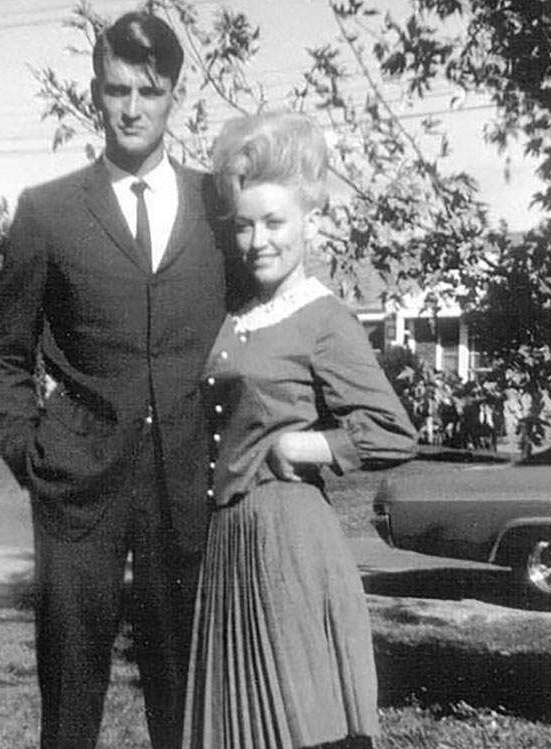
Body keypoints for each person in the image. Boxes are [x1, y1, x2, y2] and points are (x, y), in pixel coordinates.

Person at [0, 12, 244, 749]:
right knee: (69, 700)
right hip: (77, 483)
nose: (132, 108)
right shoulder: (48, 211)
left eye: (149, 92)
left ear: (174, 99)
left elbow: (257, 330)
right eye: (117, 90)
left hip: (189, 485)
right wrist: (31, 451)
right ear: (95, 94)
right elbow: (6, 356)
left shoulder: (219, 208)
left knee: (185, 699)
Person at [181, 112, 418, 749]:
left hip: (286, 539)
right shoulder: (240, 314)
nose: (258, 240)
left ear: (308, 220)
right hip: (230, 541)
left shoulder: (323, 315)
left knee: (293, 719)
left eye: (274, 222)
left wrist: (306, 445)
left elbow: (393, 431)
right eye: (245, 225)